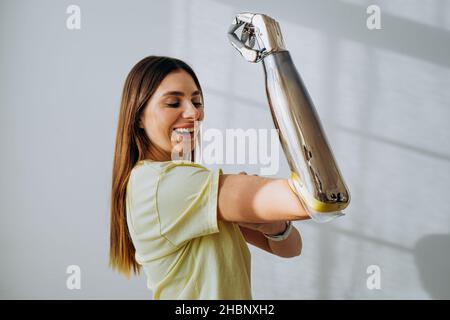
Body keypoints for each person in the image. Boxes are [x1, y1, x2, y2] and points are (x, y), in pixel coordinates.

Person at [109, 56, 311, 300]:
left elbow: (291, 248)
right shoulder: (166, 184)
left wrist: (272, 224)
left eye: (197, 101)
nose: (194, 112)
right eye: (173, 103)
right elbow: (308, 199)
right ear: (138, 116)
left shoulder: (180, 183)